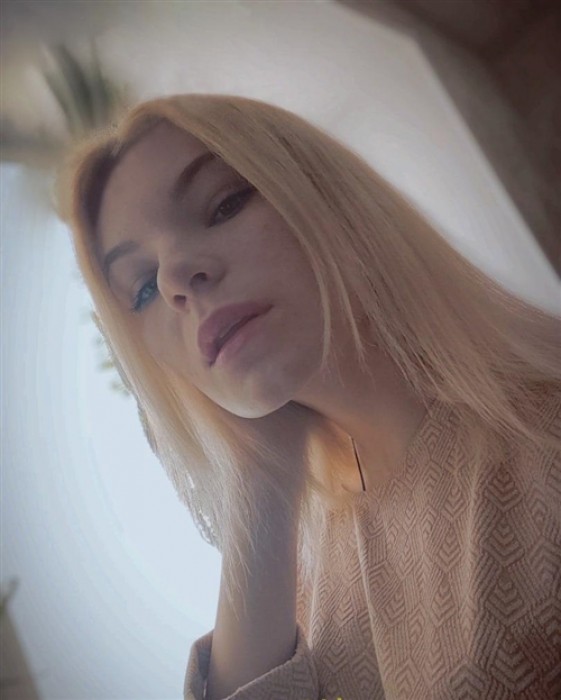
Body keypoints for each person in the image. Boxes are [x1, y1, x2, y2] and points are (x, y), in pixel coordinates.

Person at [54, 93, 561, 700]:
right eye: (141, 289)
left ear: (325, 195)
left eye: (223, 204)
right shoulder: (308, 575)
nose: (174, 280)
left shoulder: (544, 442)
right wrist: (261, 474)